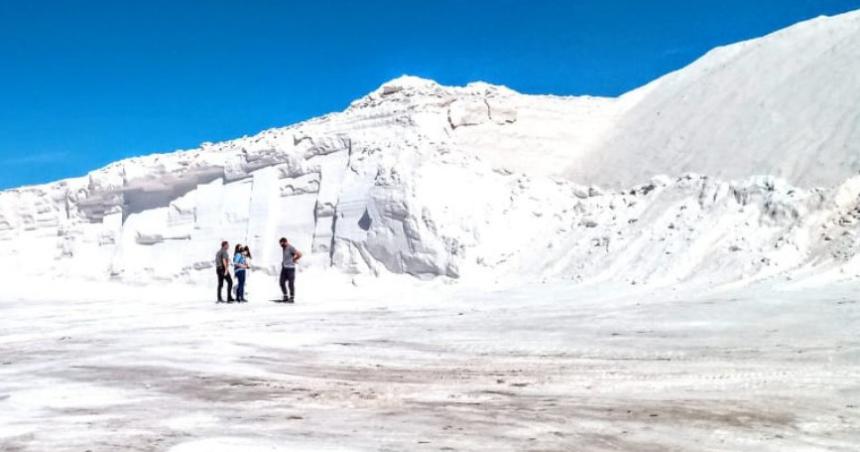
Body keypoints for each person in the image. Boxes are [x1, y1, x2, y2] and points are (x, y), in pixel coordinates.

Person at [279, 237, 303, 303]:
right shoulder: (283, 248)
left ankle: (292, 298)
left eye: (282, 244)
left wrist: (295, 259)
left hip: (290, 269)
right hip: (284, 268)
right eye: (280, 244)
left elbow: (300, 254)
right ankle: (285, 296)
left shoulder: (290, 247)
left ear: (286, 242)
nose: (281, 246)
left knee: (290, 283)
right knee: (281, 282)